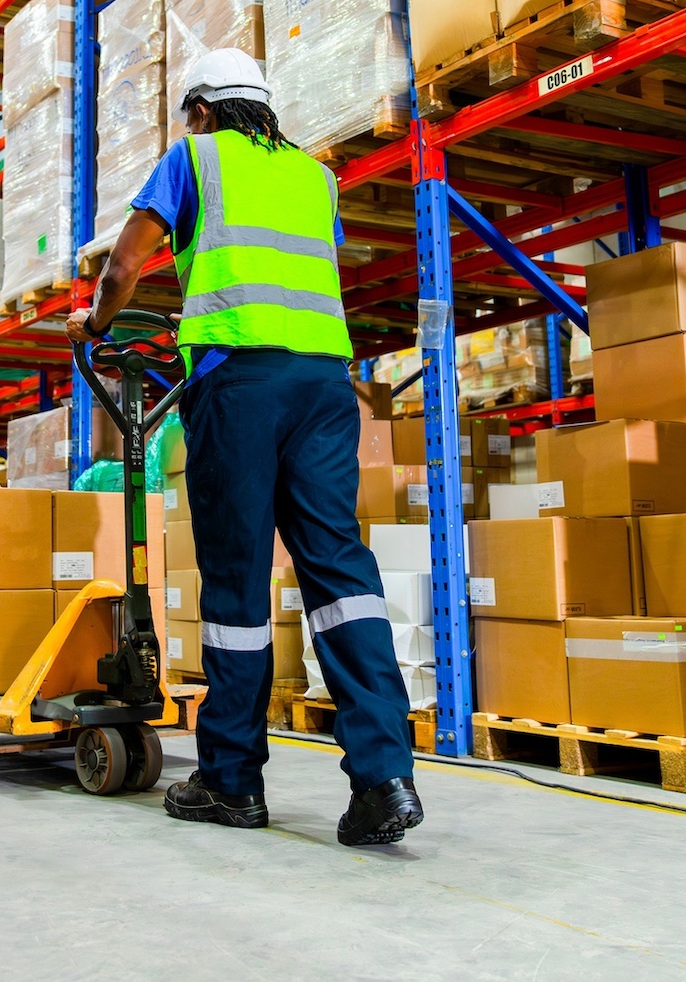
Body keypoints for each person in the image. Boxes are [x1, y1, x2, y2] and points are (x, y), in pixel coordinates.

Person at [66, 48, 424, 847]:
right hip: (327, 386)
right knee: (340, 572)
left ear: (200, 107)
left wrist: (92, 325)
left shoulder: (193, 156)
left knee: (236, 585)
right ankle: (384, 777)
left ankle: (231, 783)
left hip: (238, 386)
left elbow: (125, 265)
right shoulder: (314, 176)